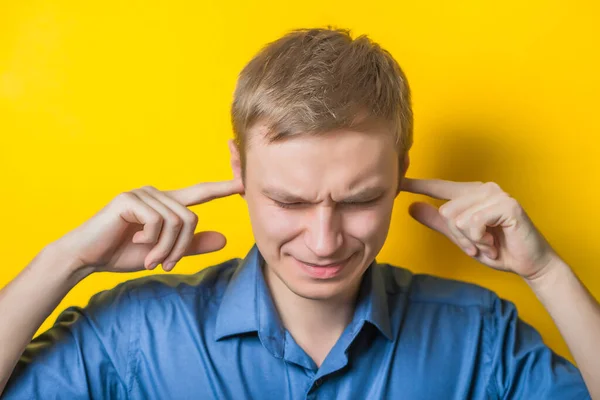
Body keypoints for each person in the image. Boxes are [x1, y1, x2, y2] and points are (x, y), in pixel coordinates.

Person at [0, 27, 596, 399]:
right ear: (239, 170)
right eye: (290, 201)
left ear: (401, 170)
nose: (324, 240)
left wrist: (549, 275)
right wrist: (66, 261)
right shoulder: (135, 332)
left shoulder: (479, 335)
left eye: (360, 199)